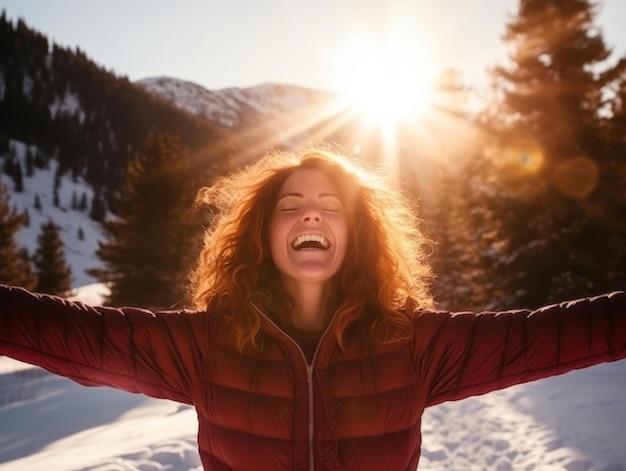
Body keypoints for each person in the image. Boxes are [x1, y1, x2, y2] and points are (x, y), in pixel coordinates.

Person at [1, 147, 625, 471]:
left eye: (331, 206)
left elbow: (548, 335)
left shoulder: (411, 342)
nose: (311, 214)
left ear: (356, 233)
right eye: (292, 204)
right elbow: (72, 333)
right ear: (263, 233)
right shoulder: (208, 343)